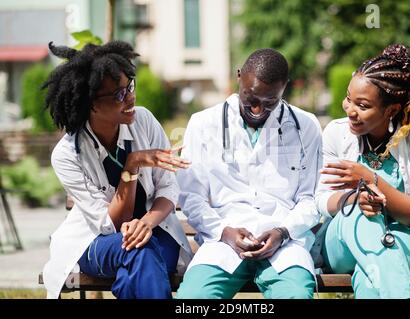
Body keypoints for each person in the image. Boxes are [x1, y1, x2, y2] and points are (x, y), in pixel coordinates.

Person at [41, 41, 193, 299]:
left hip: (155, 230)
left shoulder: (143, 120)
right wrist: (131, 165)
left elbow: (168, 186)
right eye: (118, 95)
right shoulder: (68, 154)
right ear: (92, 104)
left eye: (130, 86)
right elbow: (111, 224)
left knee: (139, 261)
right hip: (97, 242)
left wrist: (145, 223)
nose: (130, 97)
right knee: (140, 252)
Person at [176, 48, 322, 299]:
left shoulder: (306, 126)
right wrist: (224, 231)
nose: (257, 109)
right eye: (250, 98)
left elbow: (311, 198)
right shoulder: (203, 124)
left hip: (284, 245)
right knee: (194, 299)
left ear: (284, 88)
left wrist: (283, 232)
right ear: (238, 76)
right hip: (222, 242)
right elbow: (191, 196)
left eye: (269, 102)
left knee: (296, 294)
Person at [315, 44, 410, 299]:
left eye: (362, 105)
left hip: (406, 238)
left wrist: (370, 179)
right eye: (348, 99)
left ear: (391, 110)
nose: (350, 110)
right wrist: (356, 198)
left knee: (370, 279)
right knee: (358, 215)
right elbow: (321, 200)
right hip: (343, 241)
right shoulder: (335, 133)